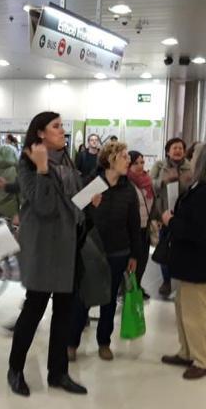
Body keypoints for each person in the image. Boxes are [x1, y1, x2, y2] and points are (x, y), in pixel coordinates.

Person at [7, 111, 93, 397]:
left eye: (61, 127)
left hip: (69, 246)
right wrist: (43, 169)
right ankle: (15, 369)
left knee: (64, 313)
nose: (62, 132)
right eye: (56, 127)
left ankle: (58, 373)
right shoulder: (29, 162)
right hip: (44, 249)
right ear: (40, 133)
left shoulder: (67, 161)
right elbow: (43, 205)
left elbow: (73, 203)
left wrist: (92, 196)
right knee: (33, 311)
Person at [159, 143, 206, 380]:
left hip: (198, 262)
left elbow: (196, 231)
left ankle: (202, 359)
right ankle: (187, 351)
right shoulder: (203, 187)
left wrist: (171, 221)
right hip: (188, 261)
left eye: (195, 157)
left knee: (196, 314)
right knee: (184, 310)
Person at [69, 141, 141, 361]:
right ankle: (71, 342)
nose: (128, 160)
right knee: (84, 297)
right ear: (111, 159)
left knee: (109, 300)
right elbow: (74, 215)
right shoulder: (91, 183)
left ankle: (104, 342)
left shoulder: (128, 188)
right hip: (91, 251)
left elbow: (134, 225)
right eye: (124, 156)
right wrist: (91, 207)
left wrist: (134, 254)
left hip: (119, 251)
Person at [151, 137, 194, 297]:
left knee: (183, 247)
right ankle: (166, 281)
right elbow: (150, 183)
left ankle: (183, 279)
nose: (177, 151)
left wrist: (184, 183)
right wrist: (163, 181)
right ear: (168, 151)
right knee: (165, 247)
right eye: (174, 148)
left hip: (184, 213)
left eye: (180, 148)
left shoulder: (191, 167)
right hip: (164, 212)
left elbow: (195, 187)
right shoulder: (159, 166)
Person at [127, 151, 156, 299]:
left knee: (143, 260)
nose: (140, 166)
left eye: (142, 162)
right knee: (133, 261)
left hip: (145, 227)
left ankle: (137, 286)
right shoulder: (127, 182)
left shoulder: (147, 181)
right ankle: (128, 289)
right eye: (136, 163)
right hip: (132, 228)